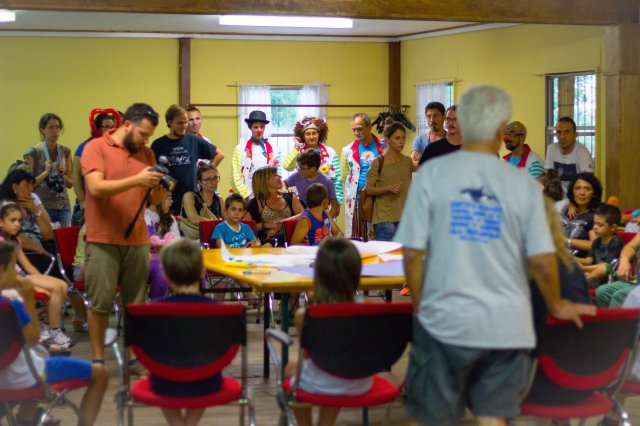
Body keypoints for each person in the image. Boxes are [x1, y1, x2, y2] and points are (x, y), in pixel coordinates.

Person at [394, 85, 594, 426]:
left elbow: (412, 254)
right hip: (506, 323)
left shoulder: (431, 175)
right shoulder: (523, 185)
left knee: (432, 416)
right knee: (493, 417)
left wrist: (420, 305)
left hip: (445, 317)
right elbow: (542, 259)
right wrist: (557, 304)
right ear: (502, 129)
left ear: (462, 124)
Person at [81, 102, 169, 371]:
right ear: (127, 125)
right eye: (143, 134)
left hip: (137, 240)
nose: (145, 141)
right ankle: (98, 360)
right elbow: (96, 188)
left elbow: (151, 200)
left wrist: (160, 188)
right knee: (100, 304)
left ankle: (134, 358)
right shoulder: (96, 147)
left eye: (149, 136)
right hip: (102, 240)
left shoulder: (147, 154)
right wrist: (137, 180)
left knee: (136, 305)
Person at [0, 240, 108, 426]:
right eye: (13, 268)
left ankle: (26, 421)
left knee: (38, 355)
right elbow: (33, 338)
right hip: (23, 377)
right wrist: (28, 297)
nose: (16, 273)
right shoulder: (11, 303)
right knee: (100, 375)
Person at [288, 238, 371, 426]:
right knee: (337, 364)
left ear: (318, 274)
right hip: (360, 380)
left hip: (323, 381)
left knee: (292, 369)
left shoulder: (304, 315)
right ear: (356, 272)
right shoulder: (366, 306)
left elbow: (308, 355)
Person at [151, 238, 221, 426]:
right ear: (202, 271)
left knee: (159, 377)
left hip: (164, 381)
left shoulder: (153, 310)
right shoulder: (219, 310)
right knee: (207, 374)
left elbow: (146, 350)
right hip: (208, 381)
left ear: (166, 276)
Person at [0, 202, 77, 348]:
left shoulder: (15, 240)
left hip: (21, 275)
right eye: (12, 220)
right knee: (54, 289)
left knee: (61, 285)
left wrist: (43, 279)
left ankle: (51, 329)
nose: (17, 224)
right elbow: (7, 272)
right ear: (1, 222)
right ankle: (53, 330)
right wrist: (34, 285)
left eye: (19, 221)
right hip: (11, 279)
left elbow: (27, 265)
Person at [151, 104, 224, 215]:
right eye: (180, 123)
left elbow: (219, 154)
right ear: (169, 122)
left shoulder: (193, 140)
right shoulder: (158, 144)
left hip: (192, 200)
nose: (184, 126)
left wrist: (205, 174)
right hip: (168, 200)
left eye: (185, 122)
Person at [365, 121, 415, 242]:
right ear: (387, 139)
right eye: (397, 138)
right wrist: (387, 188)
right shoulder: (378, 162)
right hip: (385, 219)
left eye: (403, 138)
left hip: (405, 218)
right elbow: (369, 189)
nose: (401, 141)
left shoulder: (407, 161)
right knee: (386, 253)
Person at [24, 113, 74, 227]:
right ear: (42, 130)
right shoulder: (33, 152)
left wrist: (61, 174)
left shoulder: (65, 151)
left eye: (57, 127)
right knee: (45, 237)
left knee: (63, 238)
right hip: (42, 206)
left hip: (63, 207)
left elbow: (71, 184)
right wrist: (46, 172)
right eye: (51, 128)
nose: (55, 131)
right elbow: (28, 185)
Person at [340, 112, 383, 239]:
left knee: (377, 235)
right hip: (357, 198)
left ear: (370, 127)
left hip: (379, 197)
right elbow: (344, 176)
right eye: (354, 130)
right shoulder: (347, 150)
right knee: (357, 236)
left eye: (359, 129)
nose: (356, 133)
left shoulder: (383, 146)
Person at [283, 116, 343, 206]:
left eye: (314, 133)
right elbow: (287, 167)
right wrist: (297, 148)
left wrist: (337, 203)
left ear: (319, 134)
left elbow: (337, 179)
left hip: (326, 203)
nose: (311, 137)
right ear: (303, 136)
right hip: (303, 202)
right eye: (308, 134)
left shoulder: (330, 152)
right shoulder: (298, 152)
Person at [72, 112, 118, 226]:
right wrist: (83, 202)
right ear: (97, 128)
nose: (110, 130)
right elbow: (76, 176)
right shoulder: (84, 147)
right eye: (106, 127)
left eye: (112, 126)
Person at [245, 166, 304, 247]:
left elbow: (304, 215)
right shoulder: (256, 202)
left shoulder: (290, 197)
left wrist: (281, 223)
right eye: (275, 175)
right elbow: (244, 226)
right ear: (264, 181)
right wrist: (266, 225)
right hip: (267, 243)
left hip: (291, 241)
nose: (280, 176)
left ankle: (272, 242)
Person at [0, 169, 53, 254]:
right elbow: (14, 236)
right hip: (18, 254)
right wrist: (40, 250)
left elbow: (48, 236)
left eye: (32, 185)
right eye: (27, 185)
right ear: (14, 187)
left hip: (38, 253)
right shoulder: (4, 207)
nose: (31, 189)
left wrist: (35, 210)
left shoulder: (31, 204)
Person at [231, 110, 280, 198]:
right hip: (248, 196)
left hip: (268, 195)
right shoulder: (240, 149)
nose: (259, 130)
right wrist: (247, 196)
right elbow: (236, 176)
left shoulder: (273, 149)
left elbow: (277, 173)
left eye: (262, 127)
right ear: (250, 128)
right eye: (256, 127)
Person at [576, 204, 624, 283]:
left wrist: (583, 268)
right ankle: (584, 280)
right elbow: (588, 261)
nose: (595, 227)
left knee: (604, 268)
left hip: (610, 275)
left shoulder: (616, 241)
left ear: (613, 227)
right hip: (595, 273)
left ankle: (583, 281)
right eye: (594, 223)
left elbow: (607, 266)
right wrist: (572, 259)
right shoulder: (596, 241)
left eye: (600, 225)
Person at [544, 116, 594, 193]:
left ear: (575, 134)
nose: (562, 137)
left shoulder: (583, 152)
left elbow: (588, 182)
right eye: (559, 132)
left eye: (566, 132)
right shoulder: (551, 149)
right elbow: (549, 178)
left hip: (577, 196)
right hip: (557, 195)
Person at [284, 149, 339, 217]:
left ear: (313, 169)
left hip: (320, 216)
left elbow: (335, 205)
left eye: (302, 168)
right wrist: (286, 192)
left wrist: (328, 220)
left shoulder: (326, 182)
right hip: (302, 214)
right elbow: (284, 183)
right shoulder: (297, 175)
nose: (299, 170)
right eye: (298, 167)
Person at [559, 172, 602, 257]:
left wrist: (566, 241)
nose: (582, 193)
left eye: (587, 189)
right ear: (572, 191)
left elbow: (595, 245)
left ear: (594, 193)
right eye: (577, 188)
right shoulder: (566, 208)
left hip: (578, 260)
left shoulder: (595, 216)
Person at [145, 194, 180, 299]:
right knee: (162, 271)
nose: (172, 201)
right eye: (168, 197)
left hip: (167, 258)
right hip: (145, 260)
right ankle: (156, 306)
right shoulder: (143, 216)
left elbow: (177, 244)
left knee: (192, 268)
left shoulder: (170, 219)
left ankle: (187, 304)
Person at [179, 163, 225, 240]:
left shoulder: (220, 200)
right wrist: (215, 224)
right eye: (207, 179)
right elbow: (194, 219)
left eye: (215, 178)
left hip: (213, 239)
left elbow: (229, 221)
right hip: (190, 241)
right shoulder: (190, 196)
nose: (213, 182)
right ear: (199, 182)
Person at [595, 232, 640, 308]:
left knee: (620, 296)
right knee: (602, 292)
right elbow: (630, 247)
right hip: (637, 280)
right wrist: (624, 260)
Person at [411, 101, 447, 167]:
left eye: (435, 116)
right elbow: (413, 164)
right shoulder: (419, 140)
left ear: (444, 116)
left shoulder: (452, 140)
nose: (432, 120)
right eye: (429, 116)